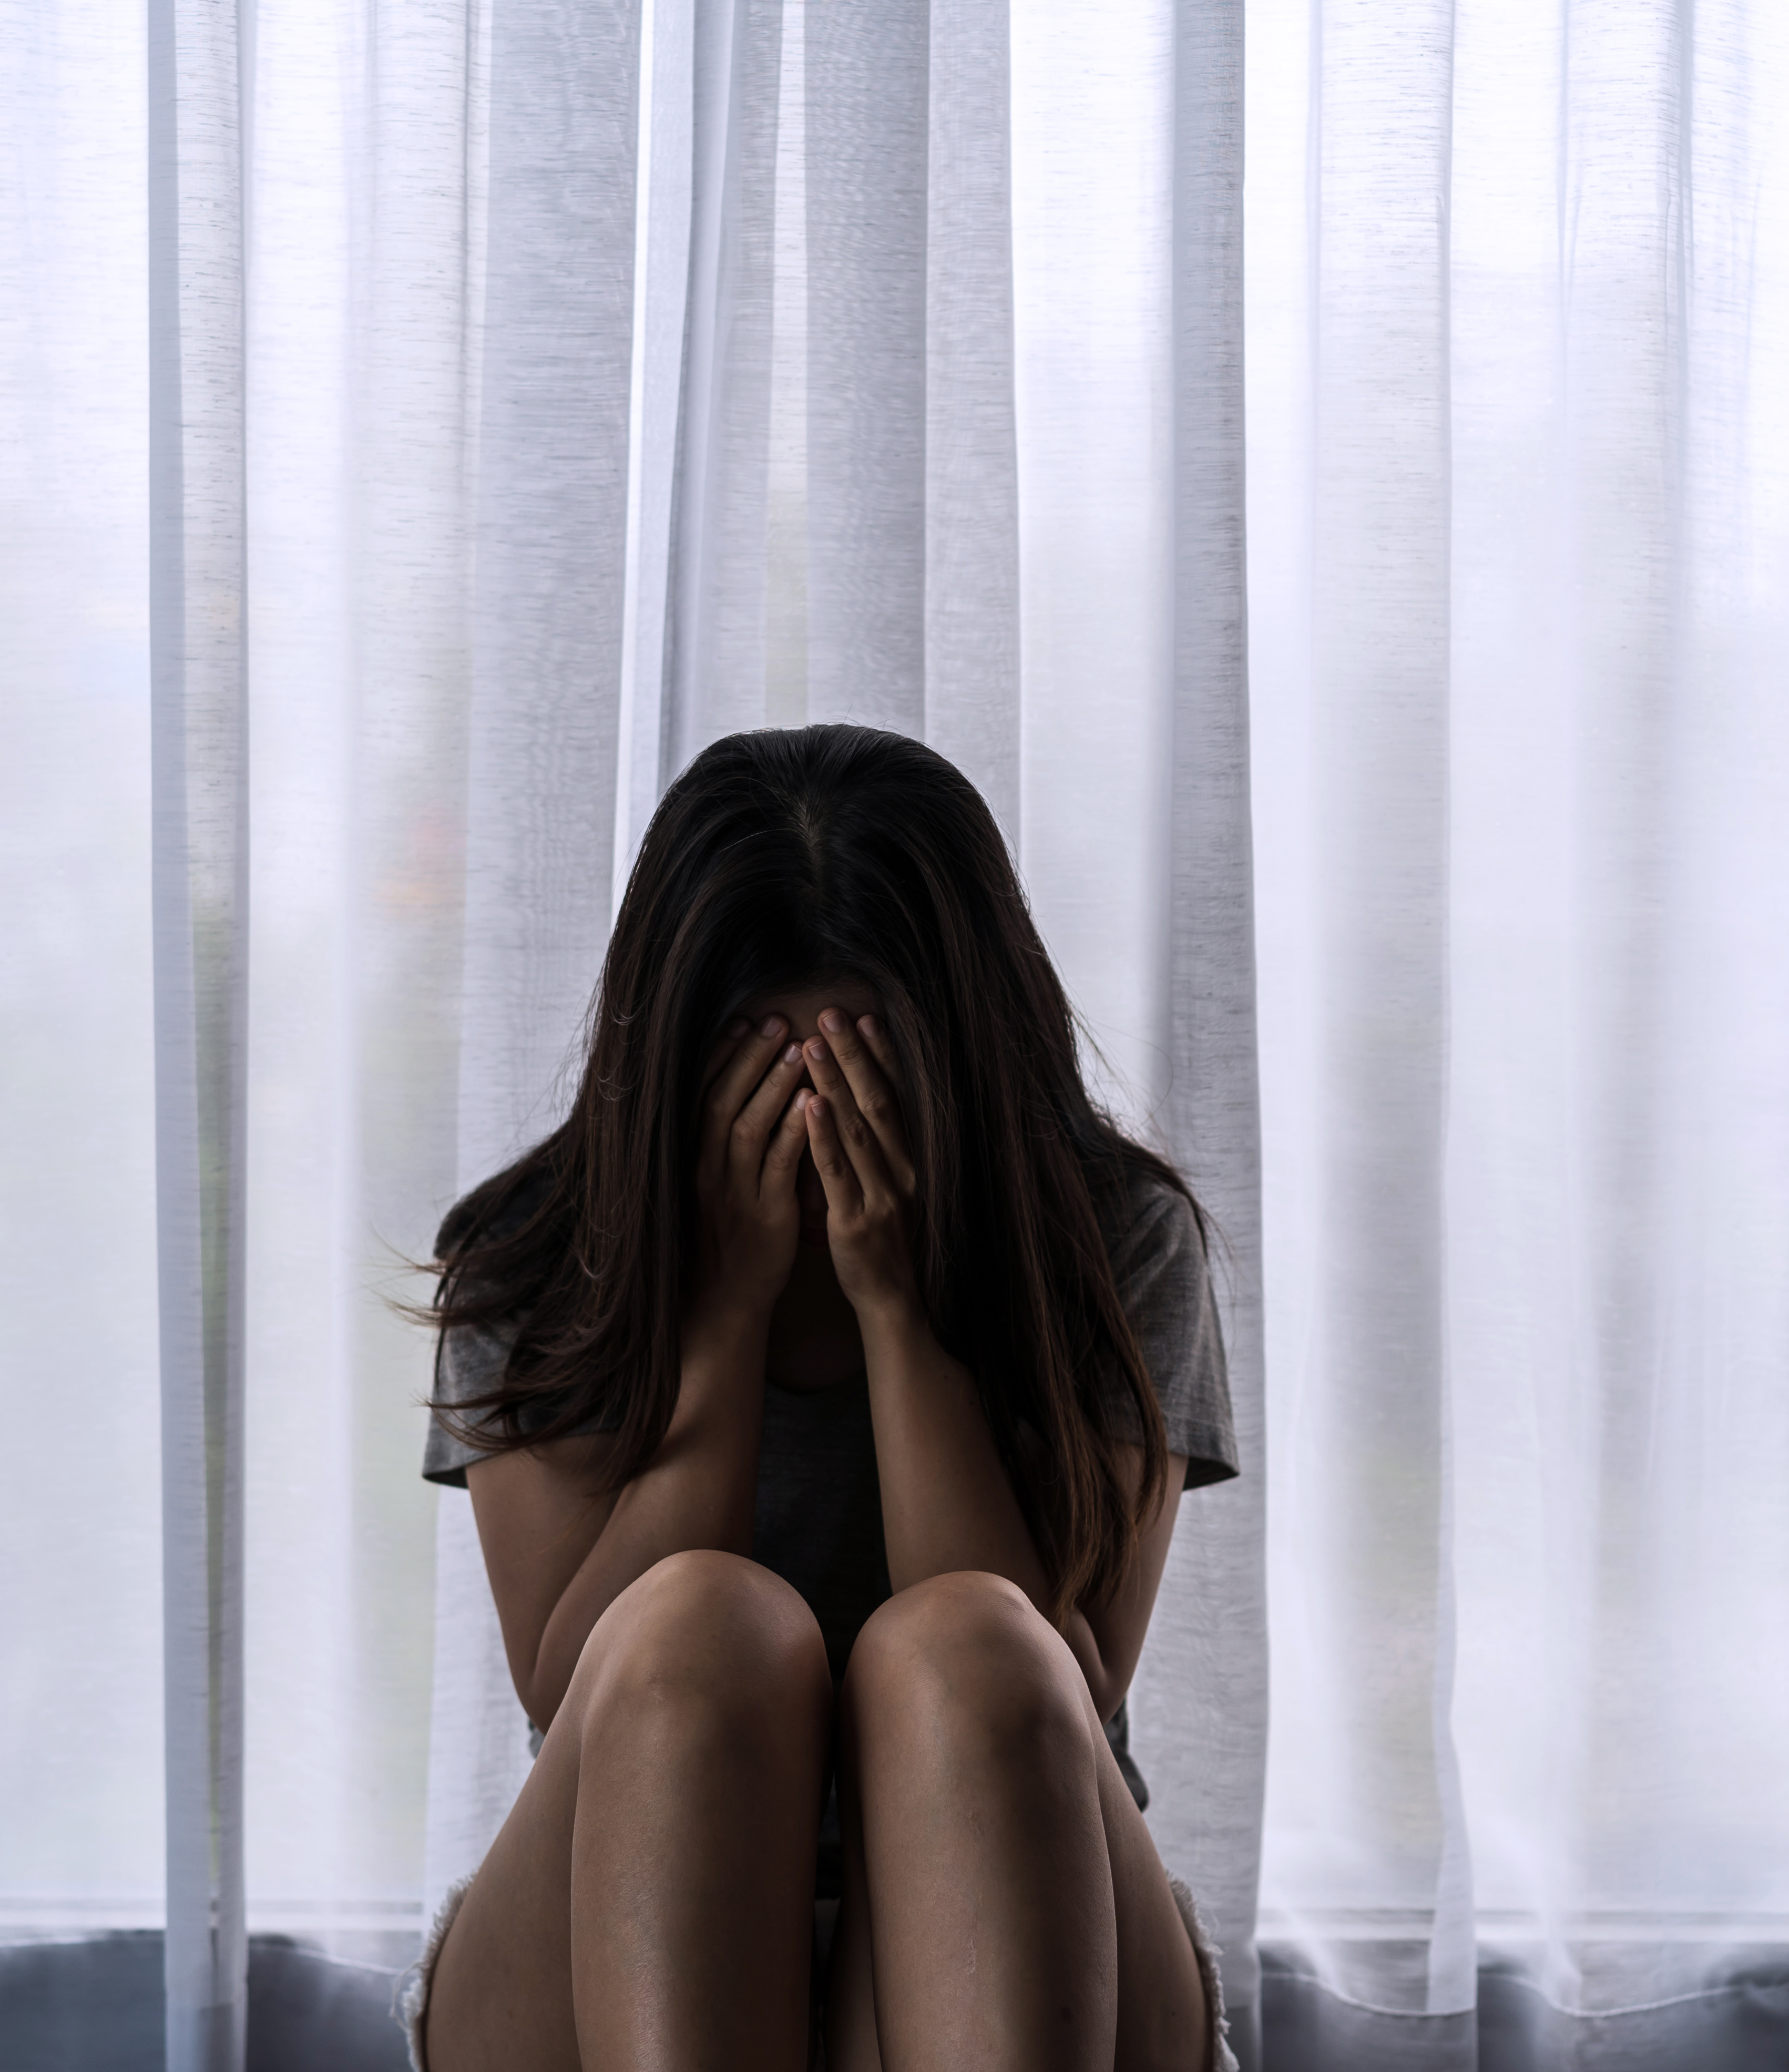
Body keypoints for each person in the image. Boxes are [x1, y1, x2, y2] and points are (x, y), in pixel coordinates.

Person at [403, 724, 1240, 2072]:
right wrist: (723, 1319)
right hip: (625, 1905)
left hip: (1020, 1909)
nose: (809, 1122)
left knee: (972, 1637)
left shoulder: (1109, 1239)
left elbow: (1067, 1684)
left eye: (857, 1071)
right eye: (763, 1074)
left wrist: (899, 1314)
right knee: (702, 1619)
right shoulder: (536, 1253)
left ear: (968, 1055)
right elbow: (571, 1689)